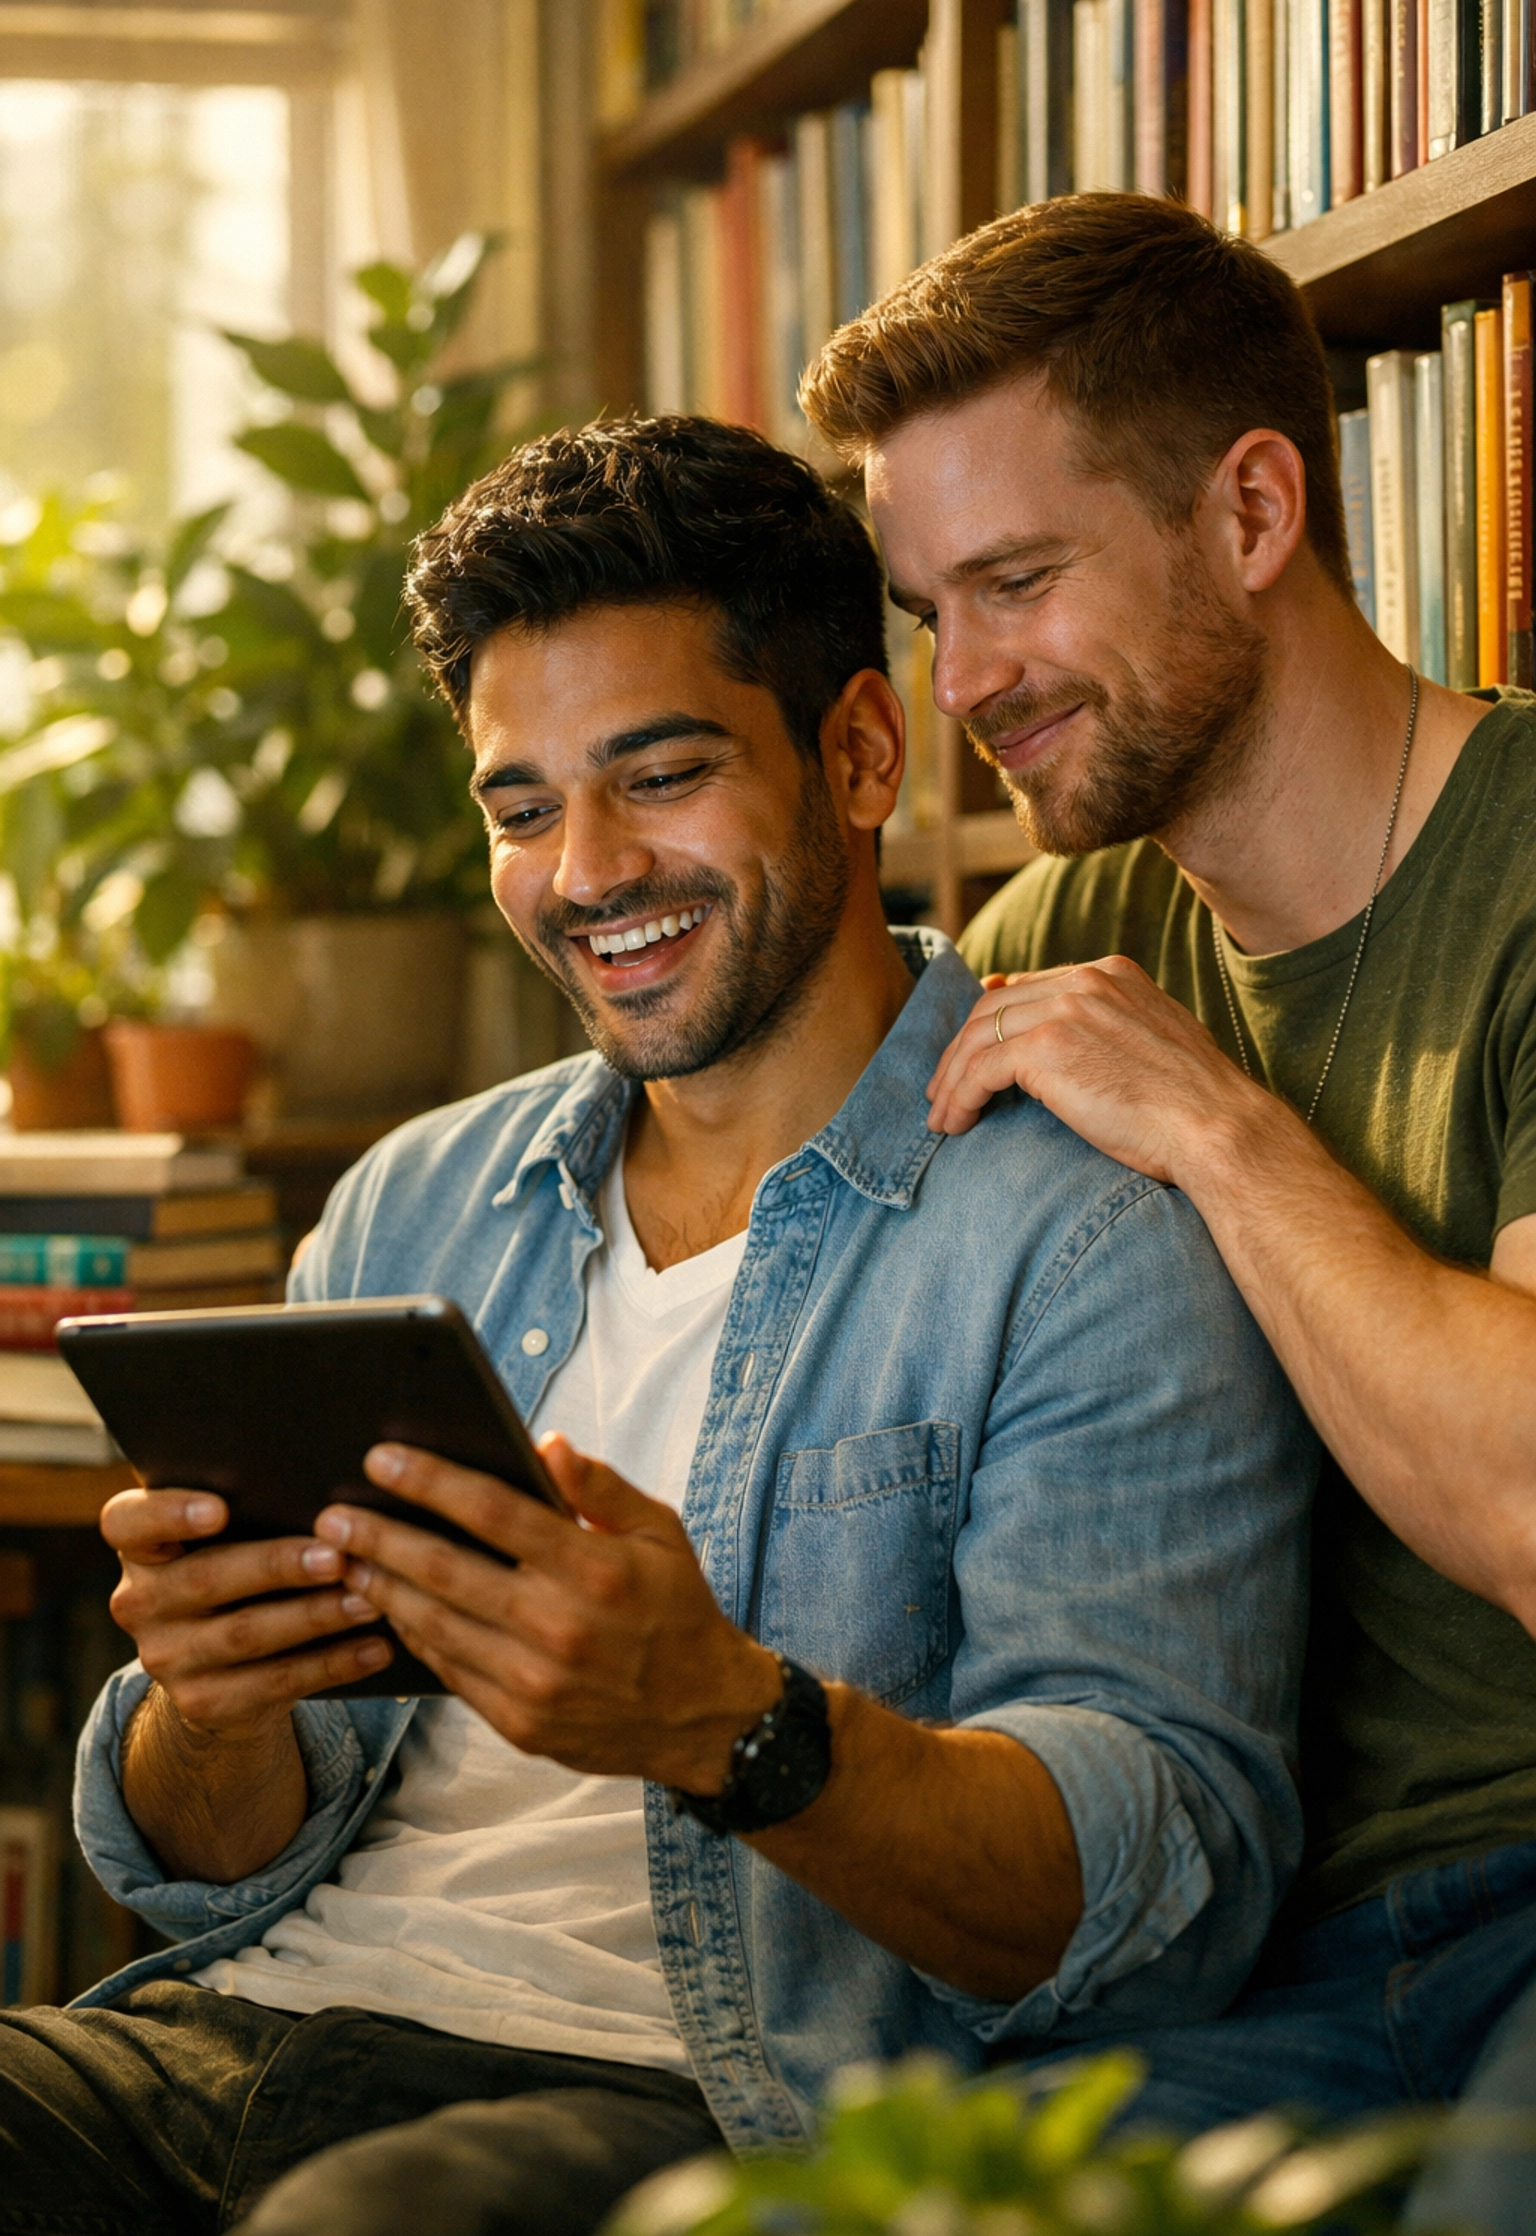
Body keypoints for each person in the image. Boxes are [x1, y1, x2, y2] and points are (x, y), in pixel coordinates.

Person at [1, 418, 1312, 2236]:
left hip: (695, 2099)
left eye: (660, 775)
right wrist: (216, 1707)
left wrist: (721, 1719)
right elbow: (211, 1857)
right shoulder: (411, 1204)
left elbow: (1162, 1891)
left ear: (858, 751)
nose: (588, 871)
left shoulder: (1084, 1233)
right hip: (231, 2040)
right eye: (522, 807)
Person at [799, 191, 1536, 2220]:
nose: (963, 680)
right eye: (928, 610)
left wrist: (1218, 1128)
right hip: (1242, 1940)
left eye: (1017, 582)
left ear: (1252, 510)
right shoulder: (1066, 926)